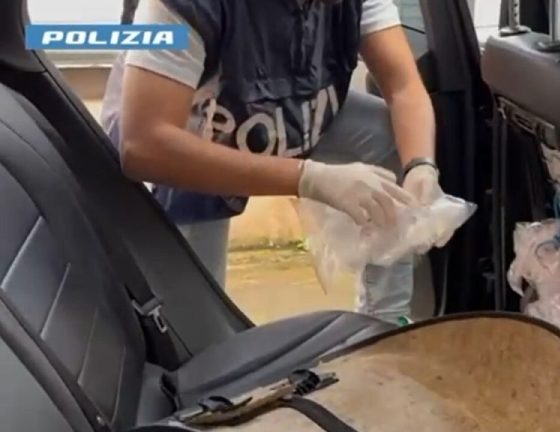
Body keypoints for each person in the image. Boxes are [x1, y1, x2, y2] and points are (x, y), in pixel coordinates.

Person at [101, 0, 457, 324]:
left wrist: (420, 165)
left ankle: (386, 320)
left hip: (287, 109)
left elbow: (403, 87)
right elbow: (145, 145)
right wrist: (308, 178)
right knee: (195, 324)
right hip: (188, 140)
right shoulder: (184, 7)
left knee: (387, 133)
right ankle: (202, 344)